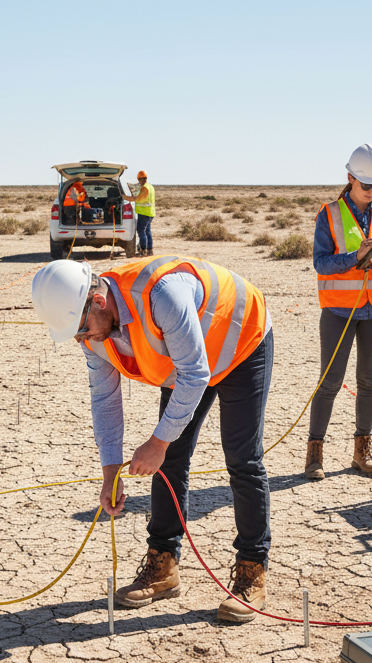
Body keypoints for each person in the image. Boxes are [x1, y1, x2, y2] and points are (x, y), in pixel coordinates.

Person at [31, 255, 274, 623]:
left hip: (240, 340)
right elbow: (104, 398)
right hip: (190, 357)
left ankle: (252, 571)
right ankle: (163, 567)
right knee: (171, 460)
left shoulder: (161, 295)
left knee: (242, 459)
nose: (83, 338)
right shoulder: (93, 330)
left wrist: (157, 442)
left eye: (82, 329)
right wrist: (111, 470)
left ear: (97, 301)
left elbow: (194, 375)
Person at [305, 143, 372, 481]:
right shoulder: (328, 214)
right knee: (330, 381)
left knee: (369, 382)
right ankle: (314, 453)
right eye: (366, 185)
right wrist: (353, 258)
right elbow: (320, 262)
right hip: (338, 310)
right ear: (350, 178)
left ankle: (362, 452)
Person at [120, 171, 154, 256]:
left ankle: (143, 250)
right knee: (147, 231)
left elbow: (138, 198)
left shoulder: (144, 188)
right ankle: (150, 250)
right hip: (150, 212)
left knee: (141, 231)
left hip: (144, 213)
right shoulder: (150, 186)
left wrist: (126, 197)